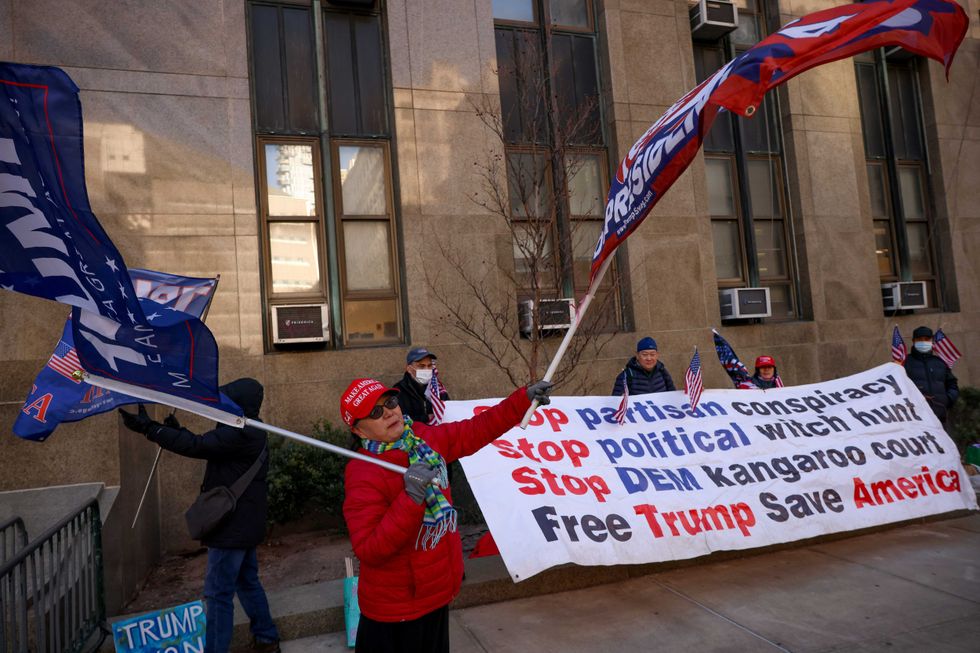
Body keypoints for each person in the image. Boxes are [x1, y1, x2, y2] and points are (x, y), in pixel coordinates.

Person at [341, 376, 553, 652]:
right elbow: (370, 549)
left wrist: (521, 401)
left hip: (436, 595)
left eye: (390, 402)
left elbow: (476, 429)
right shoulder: (362, 472)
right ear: (360, 431)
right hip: (396, 611)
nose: (389, 412)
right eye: (375, 412)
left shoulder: (421, 438)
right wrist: (410, 498)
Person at [119, 379, 280, 653]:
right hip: (243, 525)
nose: (221, 405)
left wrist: (152, 429)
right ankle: (266, 638)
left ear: (239, 404)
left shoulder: (242, 432)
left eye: (227, 401)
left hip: (231, 528)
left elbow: (198, 446)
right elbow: (208, 445)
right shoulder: (248, 430)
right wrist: (176, 430)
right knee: (247, 582)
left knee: (218, 594)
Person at [904, 326, 959, 424]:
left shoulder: (940, 363)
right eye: (920, 339)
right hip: (915, 418)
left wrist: (948, 399)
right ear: (913, 341)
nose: (923, 342)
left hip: (940, 417)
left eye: (927, 339)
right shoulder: (905, 363)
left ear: (932, 341)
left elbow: (952, 384)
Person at [394, 346, 449, 424]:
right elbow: (398, 419)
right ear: (409, 369)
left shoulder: (438, 388)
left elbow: (449, 411)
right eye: (421, 366)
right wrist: (426, 418)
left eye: (429, 366)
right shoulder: (398, 391)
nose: (426, 369)